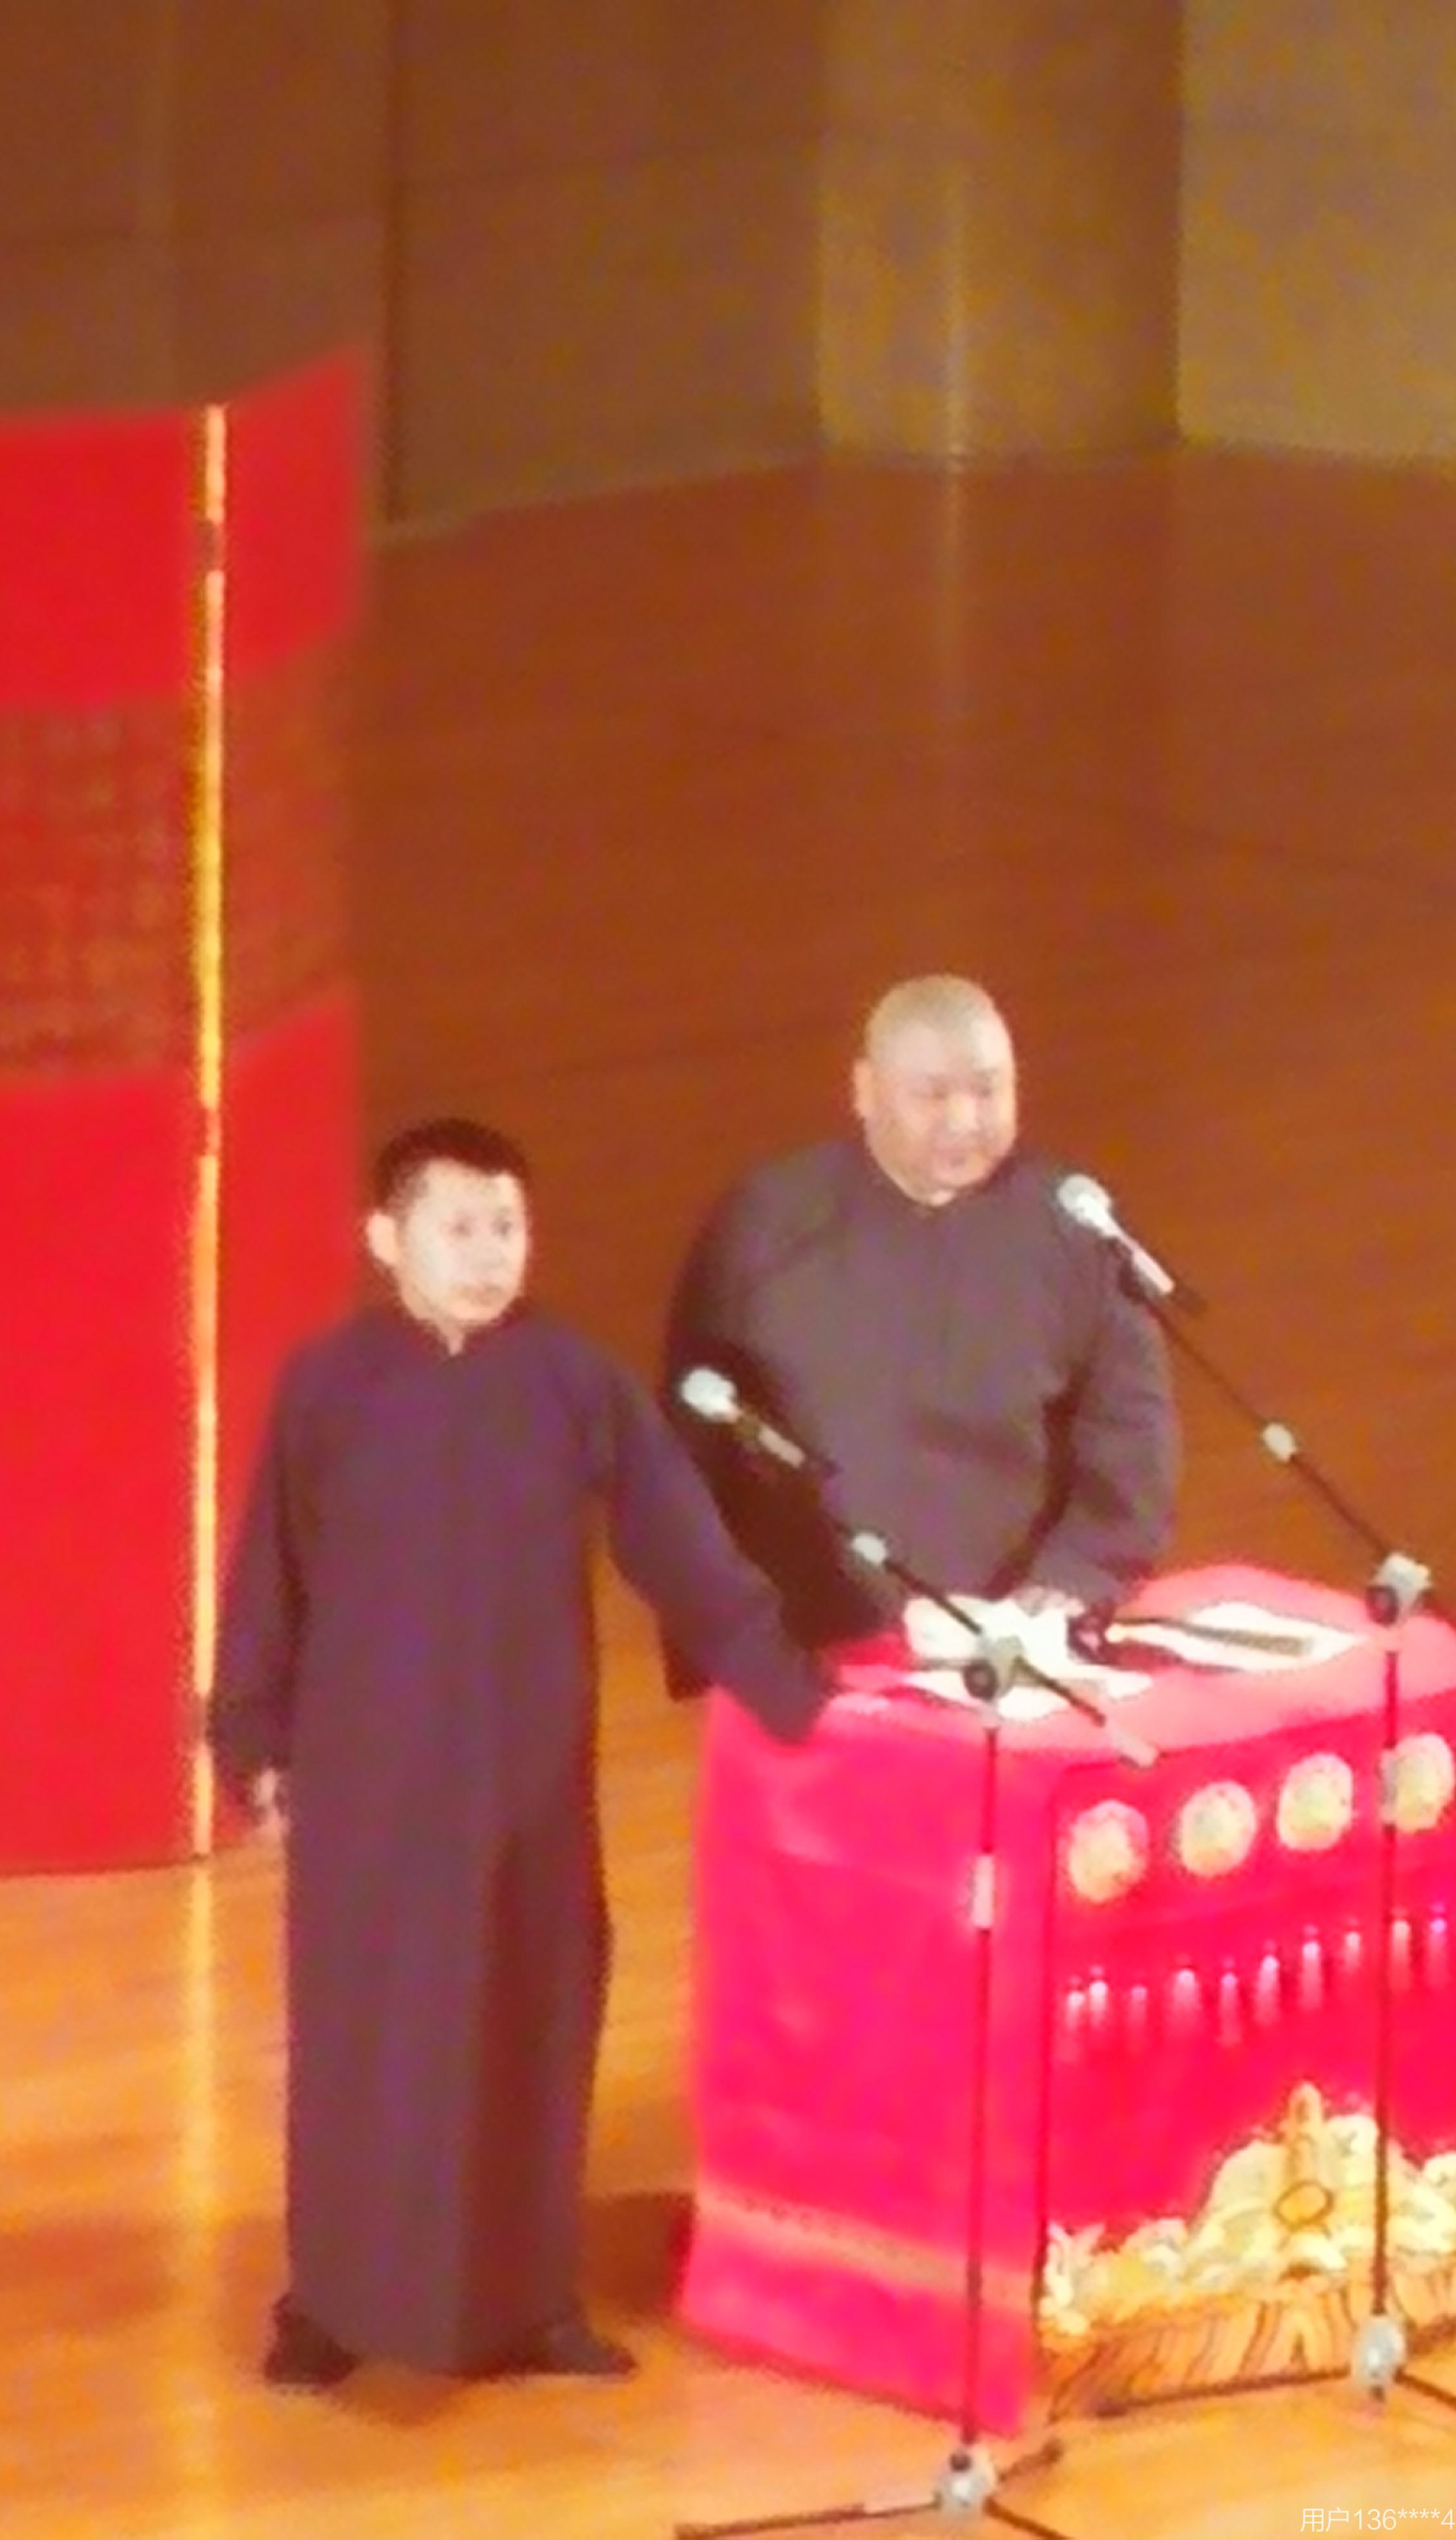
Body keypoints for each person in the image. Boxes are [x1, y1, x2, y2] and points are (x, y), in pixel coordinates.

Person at [207, 1116, 829, 2393]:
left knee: (529, 2020)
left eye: (506, 1226)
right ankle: (332, 2299)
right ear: (388, 1240)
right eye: (459, 1227)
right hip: (368, 1776)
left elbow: (681, 1545)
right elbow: (270, 1571)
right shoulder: (327, 1387)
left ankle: (529, 2301)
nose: (489, 1253)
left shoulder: (573, 1383)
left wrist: (788, 1689)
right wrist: (253, 1736)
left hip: (525, 1774)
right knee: (364, 2040)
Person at [662, 974, 1178, 1659]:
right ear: (865, 1091)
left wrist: (1075, 1576)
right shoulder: (764, 1225)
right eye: (933, 1095)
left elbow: (1129, 1429)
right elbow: (693, 1442)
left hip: (1014, 1635)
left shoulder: (1070, 1226)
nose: (965, 1121)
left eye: (988, 1090)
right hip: (811, 1641)